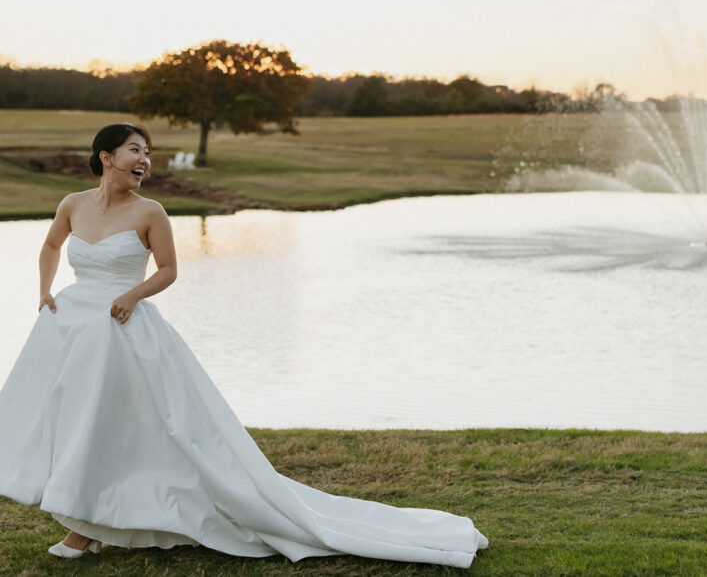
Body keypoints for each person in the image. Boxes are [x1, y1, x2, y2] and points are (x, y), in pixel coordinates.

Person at [0, 124, 488, 567]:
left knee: (117, 426)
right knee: (72, 421)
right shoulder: (73, 204)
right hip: (72, 326)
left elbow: (168, 270)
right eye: (135, 150)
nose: (145, 159)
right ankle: (91, 518)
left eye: (148, 153)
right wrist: (44, 291)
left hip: (122, 333)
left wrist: (133, 293)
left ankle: (84, 529)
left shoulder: (152, 212)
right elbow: (50, 246)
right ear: (106, 157)